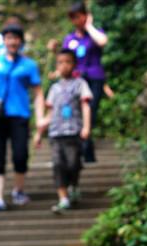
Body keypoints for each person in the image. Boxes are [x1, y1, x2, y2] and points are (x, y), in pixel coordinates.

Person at [0, 23, 44, 215]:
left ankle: (18, 190)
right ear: (4, 41)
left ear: (21, 41)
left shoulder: (29, 65)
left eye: (15, 38)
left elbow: (38, 92)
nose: (12, 41)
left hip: (19, 114)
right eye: (8, 38)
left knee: (20, 155)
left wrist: (40, 118)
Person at [34, 49, 92, 213]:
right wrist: (39, 133)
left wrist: (86, 127)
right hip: (55, 134)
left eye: (68, 62)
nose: (64, 65)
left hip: (73, 132)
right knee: (58, 164)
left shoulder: (80, 84)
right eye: (60, 62)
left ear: (74, 64)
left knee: (73, 163)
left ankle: (73, 185)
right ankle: (63, 198)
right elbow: (50, 113)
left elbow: (85, 106)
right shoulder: (54, 88)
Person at [62, 2, 107, 163]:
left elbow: (102, 42)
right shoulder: (69, 39)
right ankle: (85, 154)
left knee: (90, 114)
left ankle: (85, 153)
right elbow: (64, 60)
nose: (76, 20)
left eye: (79, 16)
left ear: (85, 15)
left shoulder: (94, 34)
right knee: (78, 115)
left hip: (94, 79)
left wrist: (89, 26)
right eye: (73, 18)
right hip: (76, 81)